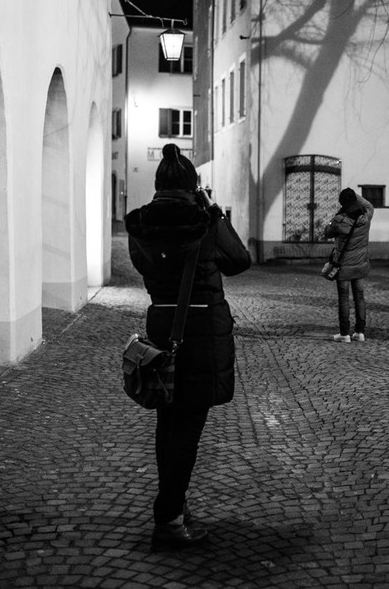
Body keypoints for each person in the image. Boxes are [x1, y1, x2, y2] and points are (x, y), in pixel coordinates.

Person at [125, 143, 252, 551]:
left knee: (168, 424)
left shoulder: (141, 225)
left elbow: (145, 265)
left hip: (163, 325)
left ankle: (173, 507)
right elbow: (239, 261)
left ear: (158, 182)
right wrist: (213, 211)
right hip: (200, 332)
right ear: (194, 185)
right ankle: (169, 518)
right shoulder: (204, 221)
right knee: (187, 430)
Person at [323, 188, 374, 342]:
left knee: (344, 298)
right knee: (360, 297)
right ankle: (360, 332)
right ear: (355, 200)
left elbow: (327, 232)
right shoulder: (366, 216)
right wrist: (353, 196)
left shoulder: (340, 220)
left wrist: (335, 217)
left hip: (344, 266)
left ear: (343, 203)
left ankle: (344, 333)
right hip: (360, 264)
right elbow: (369, 205)